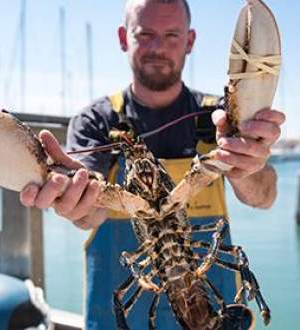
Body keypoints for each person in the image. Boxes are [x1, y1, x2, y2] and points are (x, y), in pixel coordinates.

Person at [20, 0, 285, 329]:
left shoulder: (219, 119)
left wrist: (248, 164)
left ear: (189, 40)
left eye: (172, 34)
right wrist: (75, 200)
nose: (159, 47)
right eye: (145, 34)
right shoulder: (96, 122)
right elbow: (88, 212)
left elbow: (265, 196)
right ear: (123, 37)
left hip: (215, 310)